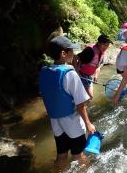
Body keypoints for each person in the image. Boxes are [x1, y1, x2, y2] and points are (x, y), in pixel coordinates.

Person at [39, 36, 96, 165]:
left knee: (61, 154)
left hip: (55, 120)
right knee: (79, 156)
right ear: (64, 53)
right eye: (71, 51)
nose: (74, 53)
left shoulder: (44, 71)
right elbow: (81, 104)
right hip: (72, 121)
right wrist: (88, 124)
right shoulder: (70, 74)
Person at [74, 34, 112, 100]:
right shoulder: (90, 50)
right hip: (81, 75)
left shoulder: (102, 52)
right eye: (105, 45)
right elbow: (74, 58)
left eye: (108, 45)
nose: (106, 47)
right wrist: (77, 72)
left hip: (89, 77)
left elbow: (98, 66)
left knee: (89, 98)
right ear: (99, 43)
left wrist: (96, 76)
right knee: (88, 98)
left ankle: (82, 108)